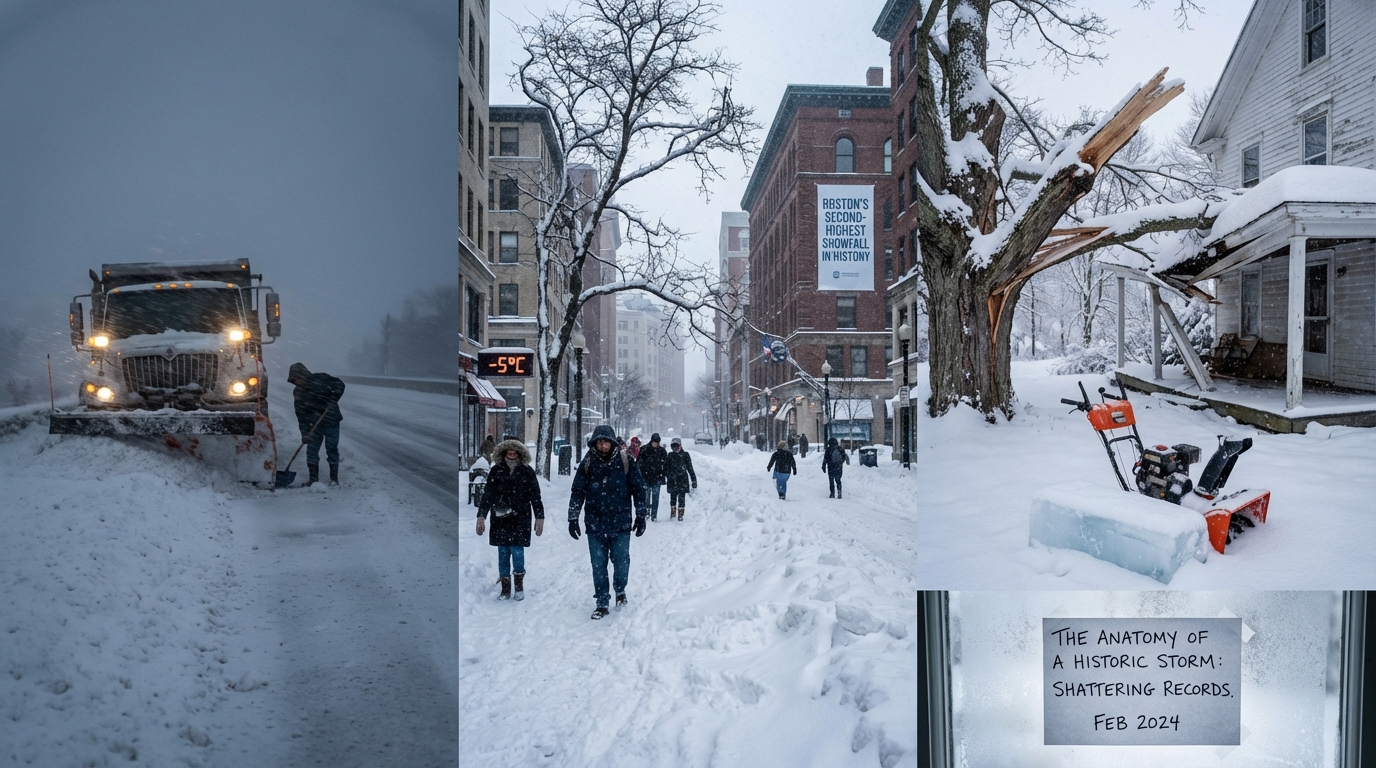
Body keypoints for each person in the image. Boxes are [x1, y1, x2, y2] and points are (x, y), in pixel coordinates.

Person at [568, 425, 649, 620]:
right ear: (595, 443)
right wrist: (573, 517)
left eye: (606, 442)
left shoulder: (625, 461)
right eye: (600, 442)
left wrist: (640, 515)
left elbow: (639, 489)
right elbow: (578, 491)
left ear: (612, 443)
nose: (603, 445)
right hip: (595, 524)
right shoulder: (588, 462)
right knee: (598, 564)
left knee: (621, 561)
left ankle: (620, 589)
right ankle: (602, 601)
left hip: (620, 523)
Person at [475, 440, 544, 600]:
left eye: (515, 451)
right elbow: (488, 495)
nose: (512, 453)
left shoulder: (527, 471)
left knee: (518, 551)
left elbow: (535, 495)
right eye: (509, 451)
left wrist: (539, 516)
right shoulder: (496, 471)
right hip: (501, 517)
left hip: (521, 517)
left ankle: (519, 586)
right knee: (503, 552)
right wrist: (481, 515)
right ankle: (505, 588)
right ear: (503, 452)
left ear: (520, 453)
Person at [287, 362, 346, 486]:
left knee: (331, 449)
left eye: (299, 378)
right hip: (313, 425)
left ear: (304, 375)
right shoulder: (298, 392)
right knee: (311, 452)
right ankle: (313, 480)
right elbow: (300, 415)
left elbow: (340, 385)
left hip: (331, 421)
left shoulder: (321, 378)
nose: (297, 382)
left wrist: (333, 400)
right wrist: (304, 433)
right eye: (295, 380)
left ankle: (334, 479)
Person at [664, 437, 697, 521]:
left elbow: (690, 468)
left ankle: (681, 514)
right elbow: (666, 468)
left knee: (682, 497)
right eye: (673, 446)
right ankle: (673, 512)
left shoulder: (685, 455)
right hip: (672, 479)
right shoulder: (670, 455)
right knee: (673, 497)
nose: (675, 448)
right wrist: (668, 475)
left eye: (677, 445)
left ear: (680, 445)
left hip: (682, 479)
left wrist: (694, 480)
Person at [638, 433, 668, 521]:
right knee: (646, 497)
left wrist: (664, 475)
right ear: (651, 441)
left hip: (657, 477)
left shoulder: (662, 451)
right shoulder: (644, 450)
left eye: (657, 442)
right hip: (646, 477)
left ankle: (654, 515)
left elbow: (665, 465)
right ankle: (647, 512)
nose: (656, 444)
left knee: (655, 497)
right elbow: (638, 463)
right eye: (654, 442)